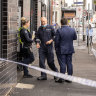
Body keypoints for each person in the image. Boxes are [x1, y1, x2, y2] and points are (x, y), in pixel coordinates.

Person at [55, 18, 77, 83]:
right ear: (67, 23)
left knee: (62, 64)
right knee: (69, 63)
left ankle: (62, 78)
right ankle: (69, 78)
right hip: (70, 49)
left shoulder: (59, 30)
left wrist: (56, 48)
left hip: (61, 50)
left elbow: (56, 41)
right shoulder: (72, 30)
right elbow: (75, 38)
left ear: (61, 23)